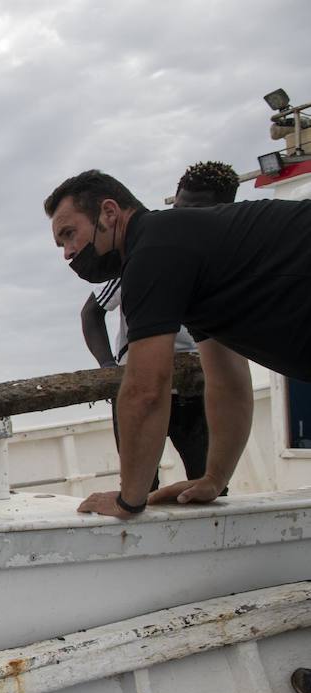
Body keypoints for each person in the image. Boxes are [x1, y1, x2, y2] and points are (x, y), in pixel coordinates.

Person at [43, 169, 311, 521]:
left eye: (69, 234)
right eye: (61, 244)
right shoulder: (184, 253)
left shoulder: (153, 252)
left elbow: (146, 389)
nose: (67, 252)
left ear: (109, 213)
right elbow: (228, 381)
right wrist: (214, 479)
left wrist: (128, 501)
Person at [78, 162, 242, 491]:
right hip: (138, 382)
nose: (182, 218)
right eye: (178, 209)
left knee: (210, 484)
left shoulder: (225, 264)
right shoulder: (145, 256)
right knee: (140, 486)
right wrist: (110, 366)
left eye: (195, 211)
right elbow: (91, 313)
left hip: (195, 388)